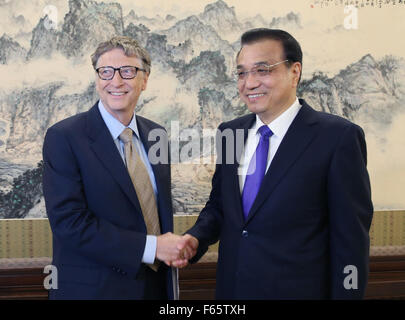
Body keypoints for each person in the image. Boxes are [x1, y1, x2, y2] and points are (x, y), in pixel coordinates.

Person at [176, 28, 374, 299]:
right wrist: (196, 238)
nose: (249, 83)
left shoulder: (337, 138)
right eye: (242, 73)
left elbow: (351, 242)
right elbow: (221, 206)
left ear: (295, 72)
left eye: (262, 70)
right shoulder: (230, 133)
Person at [42, 36, 193, 300]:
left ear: (144, 79)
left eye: (127, 71)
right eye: (106, 72)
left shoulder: (157, 134)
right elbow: (69, 223)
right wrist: (153, 247)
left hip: (156, 287)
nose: (116, 81)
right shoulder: (64, 137)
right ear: (97, 79)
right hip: (94, 291)